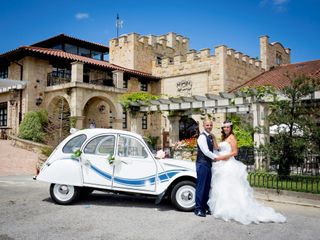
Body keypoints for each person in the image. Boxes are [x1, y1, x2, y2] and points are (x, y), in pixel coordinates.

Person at [207, 120, 286, 224]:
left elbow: (235, 152)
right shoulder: (224, 138)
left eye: (228, 127)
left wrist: (222, 157)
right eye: (224, 127)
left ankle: (234, 209)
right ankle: (224, 208)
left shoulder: (232, 138)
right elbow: (217, 148)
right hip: (222, 164)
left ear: (231, 128)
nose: (226, 129)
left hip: (229, 164)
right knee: (222, 187)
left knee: (231, 187)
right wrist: (213, 138)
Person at [194, 119, 219, 217]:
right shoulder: (202, 137)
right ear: (203, 126)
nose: (209, 126)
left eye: (210, 125)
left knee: (207, 187)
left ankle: (204, 207)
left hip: (208, 164)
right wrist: (216, 158)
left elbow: (215, 149)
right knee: (201, 187)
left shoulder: (210, 137)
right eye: (207, 125)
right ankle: (198, 209)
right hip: (202, 164)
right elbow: (206, 151)